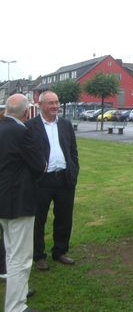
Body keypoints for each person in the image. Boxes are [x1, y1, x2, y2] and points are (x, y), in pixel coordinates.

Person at [0, 94, 47, 312]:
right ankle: (16, 307)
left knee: (11, 253)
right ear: (27, 112)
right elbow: (39, 165)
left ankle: (17, 293)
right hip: (19, 202)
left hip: (3, 201)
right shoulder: (21, 131)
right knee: (21, 257)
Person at [25, 91, 80, 271]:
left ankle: (60, 251)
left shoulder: (65, 124)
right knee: (38, 220)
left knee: (64, 218)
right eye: (51, 103)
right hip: (42, 181)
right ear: (40, 105)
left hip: (64, 179)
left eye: (57, 102)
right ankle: (39, 256)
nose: (55, 106)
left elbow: (73, 151)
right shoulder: (30, 126)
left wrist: (73, 171)